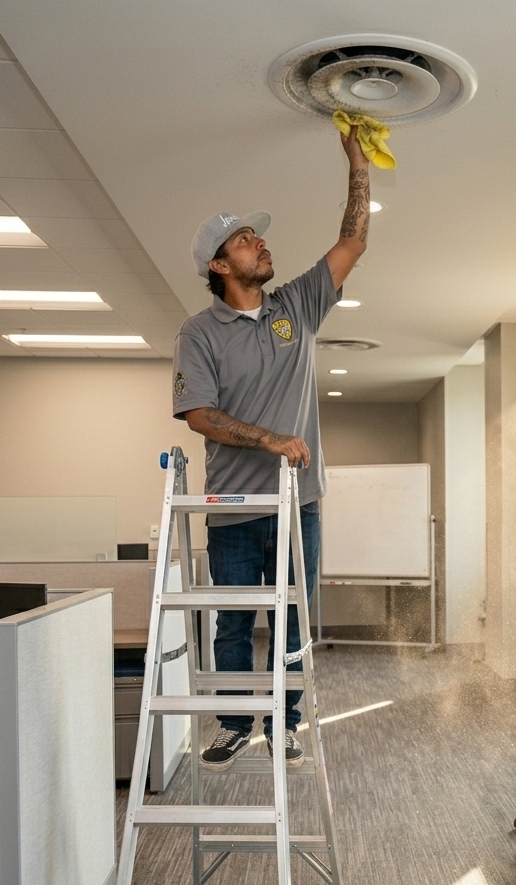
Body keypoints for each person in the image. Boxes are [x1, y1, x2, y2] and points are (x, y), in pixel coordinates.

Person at [171, 126, 370, 770]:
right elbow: (199, 413)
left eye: (257, 235)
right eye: (244, 239)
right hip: (233, 506)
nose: (259, 242)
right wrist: (271, 439)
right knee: (233, 622)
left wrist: (356, 161)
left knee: (292, 619)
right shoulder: (199, 333)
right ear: (220, 266)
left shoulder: (296, 307)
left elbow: (353, 240)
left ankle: (283, 720)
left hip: (299, 504)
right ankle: (232, 722)